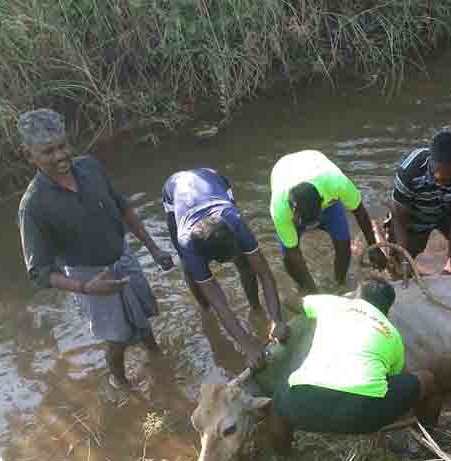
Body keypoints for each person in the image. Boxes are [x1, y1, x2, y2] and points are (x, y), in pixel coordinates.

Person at [17, 108, 174, 388]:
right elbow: (39, 272)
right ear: (29, 155)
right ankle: (119, 381)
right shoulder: (34, 206)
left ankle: (156, 357)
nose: (60, 156)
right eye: (48, 151)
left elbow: (123, 206)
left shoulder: (89, 166)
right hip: (89, 277)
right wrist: (87, 288)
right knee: (117, 338)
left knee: (143, 315)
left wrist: (153, 248)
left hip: (123, 258)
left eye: (63, 146)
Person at [269, 278, 441, 450]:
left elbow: (288, 300)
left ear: (356, 296)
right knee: (428, 380)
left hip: (303, 405)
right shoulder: (391, 332)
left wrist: (277, 322)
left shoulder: (332, 304)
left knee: (279, 400)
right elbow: (394, 377)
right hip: (362, 416)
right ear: (387, 310)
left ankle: (282, 454)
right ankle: (428, 442)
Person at [162, 168, 288, 366]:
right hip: (174, 189)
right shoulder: (188, 244)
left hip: (213, 178)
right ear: (209, 258)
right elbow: (219, 302)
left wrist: (276, 319)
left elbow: (263, 272)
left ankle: (255, 307)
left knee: (246, 262)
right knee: (189, 269)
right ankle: (204, 310)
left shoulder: (235, 222)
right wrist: (247, 345)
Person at [270, 150, 387, 295]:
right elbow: (293, 253)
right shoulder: (280, 209)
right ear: (294, 213)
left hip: (318, 172)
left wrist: (373, 247)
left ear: (322, 202)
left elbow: (360, 213)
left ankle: (340, 283)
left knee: (343, 243)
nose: (311, 228)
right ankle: (304, 287)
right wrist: (314, 292)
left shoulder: (337, 184)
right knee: (289, 258)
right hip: (283, 169)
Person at [385, 131, 451, 275]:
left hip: (448, 212)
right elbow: (399, 217)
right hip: (416, 213)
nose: (439, 180)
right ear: (431, 159)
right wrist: (404, 260)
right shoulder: (410, 170)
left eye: (446, 178)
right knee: (400, 268)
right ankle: (400, 263)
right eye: (436, 172)